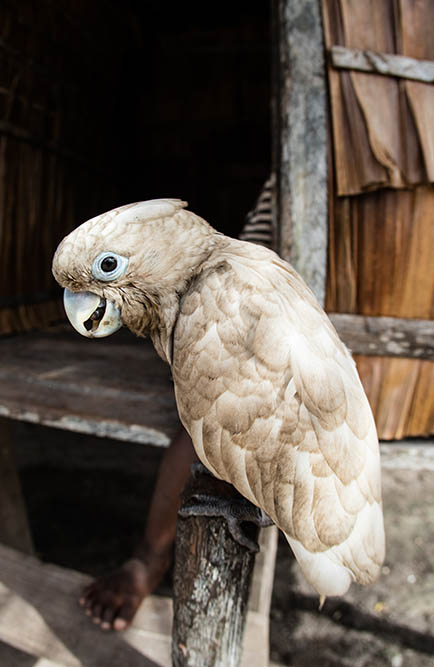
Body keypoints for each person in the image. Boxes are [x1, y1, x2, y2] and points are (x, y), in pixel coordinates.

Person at [78, 176, 277, 631]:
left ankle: (149, 558)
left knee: (210, 423)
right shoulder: (275, 190)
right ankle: (148, 560)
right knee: (200, 418)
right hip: (252, 312)